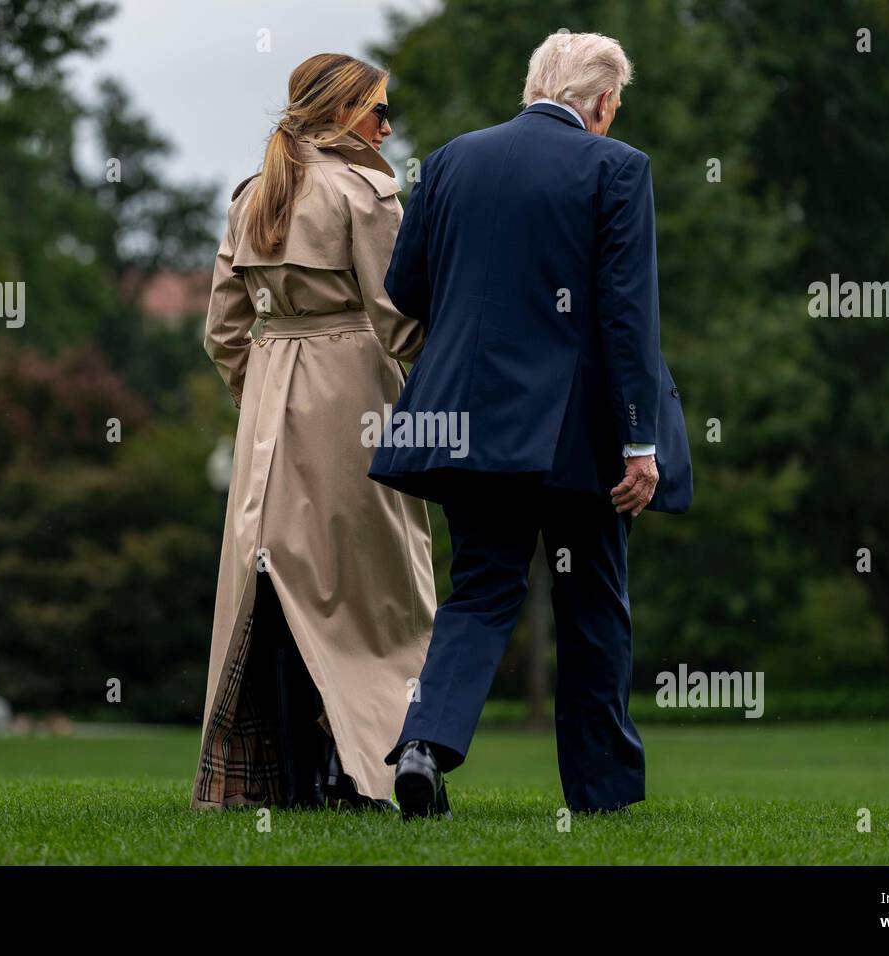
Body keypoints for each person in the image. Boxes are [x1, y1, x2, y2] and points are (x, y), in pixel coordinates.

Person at [369, 32, 694, 818]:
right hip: (576, 436)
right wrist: (640, 443)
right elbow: (626, 318)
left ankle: (423, 747)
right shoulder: (618, 168)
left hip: (465, 425)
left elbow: (406, 288)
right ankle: (602, 794)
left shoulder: (449, 160)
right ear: (605, 102)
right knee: (591, 605)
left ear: (534, 85)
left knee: (479, 592)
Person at [191, 53, 437, 812]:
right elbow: (401, 324)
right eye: (376, 111)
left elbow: (224, 331)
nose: (387, 127)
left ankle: (287, 777)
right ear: (339, 113)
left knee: (274, 584)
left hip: (271, 395)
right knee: (374, 589)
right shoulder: (366, 191)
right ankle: (367, 766)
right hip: (353, 390)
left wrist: (265, 390)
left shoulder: (253, 194)